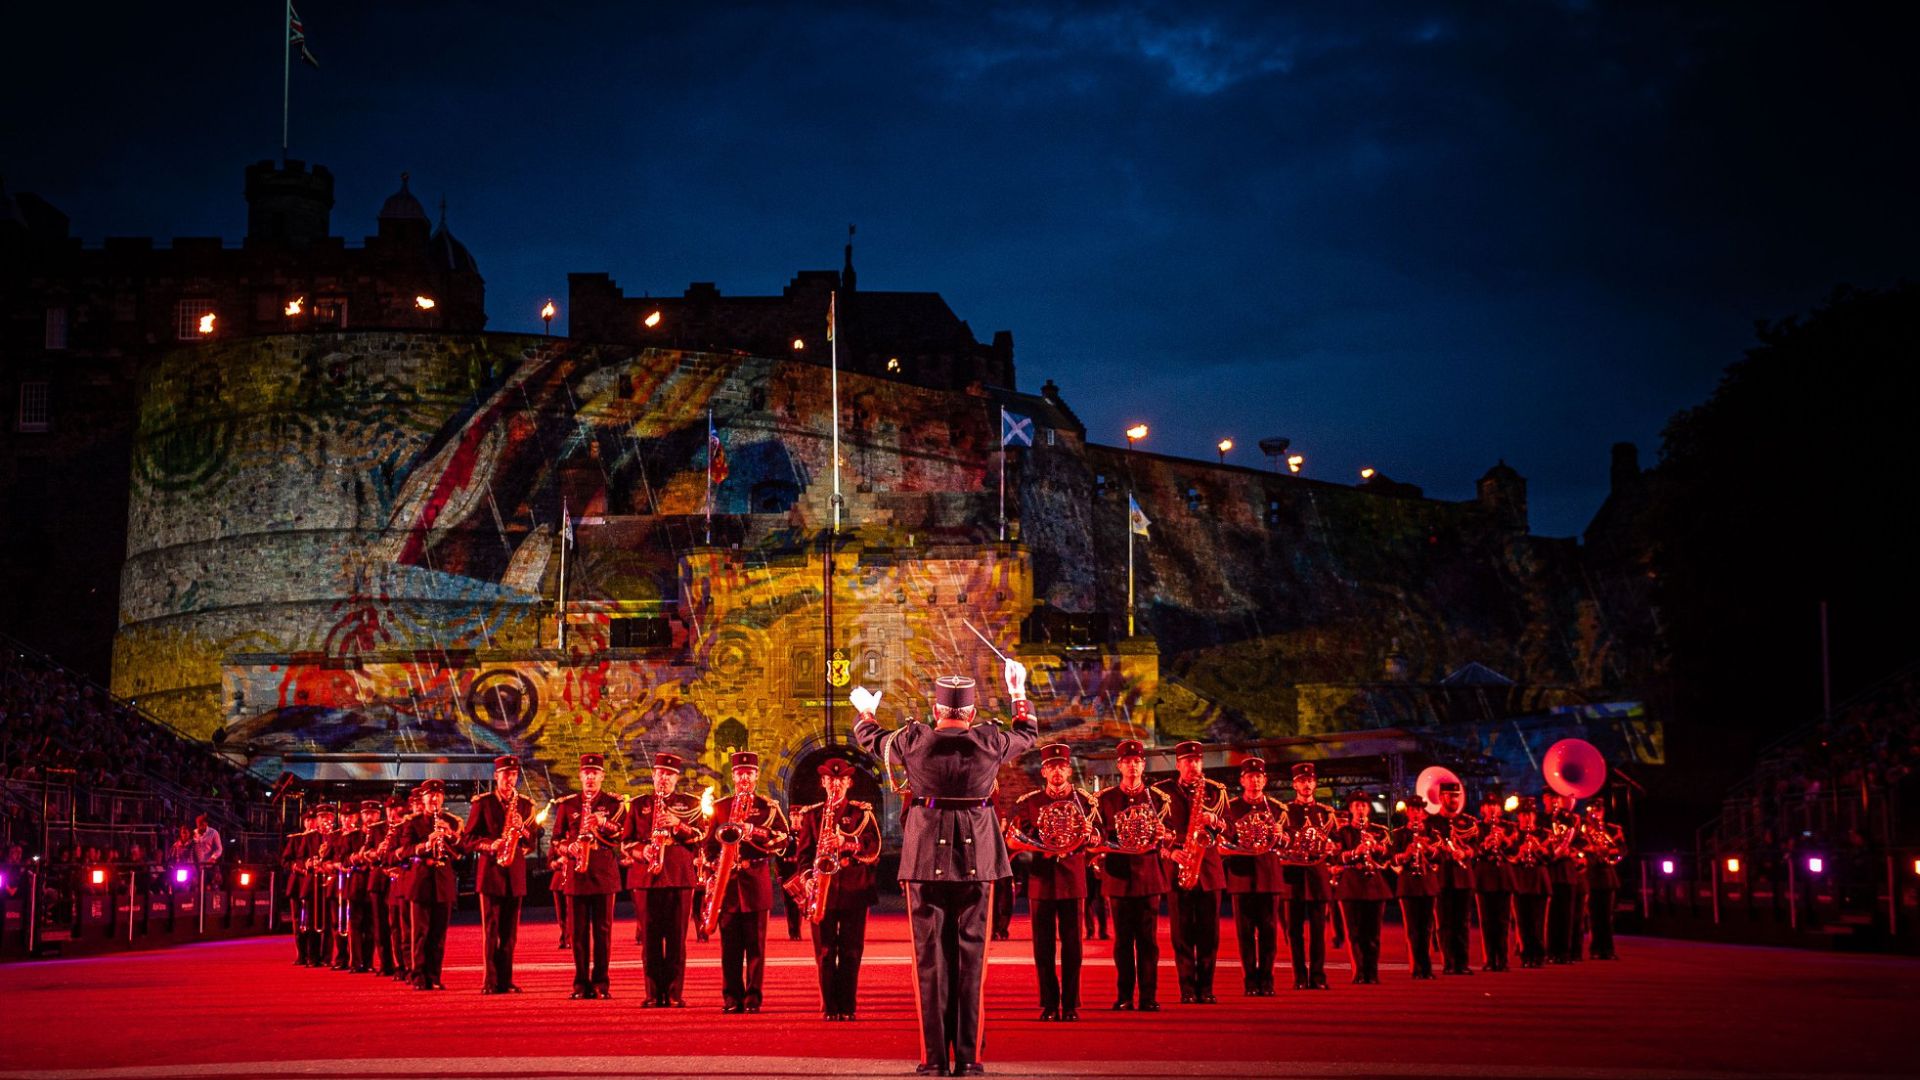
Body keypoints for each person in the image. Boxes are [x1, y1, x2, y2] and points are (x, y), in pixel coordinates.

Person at [853, 661, 1037, 1078]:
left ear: (937, 710)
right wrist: (1018, 691)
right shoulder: (989, 740)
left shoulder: (915, 739)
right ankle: (969, 1058)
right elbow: (1027, 733)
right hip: (980, 860)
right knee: (972, 962)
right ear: (970, 714)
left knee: (930, 962)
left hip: (924, 860)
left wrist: (865, 712)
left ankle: (934, 1058)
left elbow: (871, 739)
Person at [1004, 742, 1098, 1021]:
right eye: (1051, 767)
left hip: (1073, 880)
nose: (1057, 772)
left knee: (1073, 947)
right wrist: (1041, 847)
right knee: (1042, 948)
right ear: (1044, 772)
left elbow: (1098, 840)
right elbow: (1013, 839)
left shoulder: (1085, 801)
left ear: (1069, 770)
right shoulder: (1029, 803)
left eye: (1062, 767)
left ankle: (1070, 1004)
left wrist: (1092, 838)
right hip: (1041, 881)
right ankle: (1048, 1002)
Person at [788, 756, 882, 1021]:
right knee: (826, 951)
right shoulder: (812, 815)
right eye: (830, 780)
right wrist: (807, 878)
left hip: (854, 888)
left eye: (840, 780)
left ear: (849, 783)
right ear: (823, 782)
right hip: (822, 890)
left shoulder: (861, 813)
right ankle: (830, 1007)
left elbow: (873, 847)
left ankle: (848, 1006)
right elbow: (804, 855)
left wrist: (846, 841)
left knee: (852, 951)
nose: (835, 785)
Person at [705, 750, 790, 1013]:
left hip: (755, 880)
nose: (744, 778)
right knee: (729, 948)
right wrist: (711, 869)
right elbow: (708, 846)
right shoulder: (720, 807)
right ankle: (731, 997)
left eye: (749, 773)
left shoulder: (768, 807)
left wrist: (756, 832)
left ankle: (753, 997)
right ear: (733, 776)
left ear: (756, 776)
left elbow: (784, 841)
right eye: (740, 773)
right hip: (727, 885)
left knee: (756, 947)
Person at [620, 751, 706, 1008]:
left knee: (677, 939)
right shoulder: (638, 804)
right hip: (646, 879)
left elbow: (701, 835)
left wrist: (678, 824)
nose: (664, 779)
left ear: (676, 778)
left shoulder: (690, 804)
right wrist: (641, 851)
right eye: (660, 774)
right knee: (650, 939)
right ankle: (652, 993)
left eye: (669, 775)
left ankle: (674, 992)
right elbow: (625, 842)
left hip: (679, 877)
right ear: (653, 776)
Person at [1096, 738, 1170, 1013]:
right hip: (1118, 877)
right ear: (1119, 766)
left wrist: (1165, 835)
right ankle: (1124, 995)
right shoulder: (1106, 799)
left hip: (1149, 877)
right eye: (1127, 762)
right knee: (1123, 942)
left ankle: (1149, 996)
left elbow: (1171, 836)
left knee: (1149, 942)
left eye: (1137, 762)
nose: (1133, 767)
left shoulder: (1159, 799)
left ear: (1143, 765)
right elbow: (1097, 838)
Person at [1156, 740, 1228, 1004]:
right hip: (1177, 867)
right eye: (1188, 761)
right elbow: (1156, 831)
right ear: (1178, 765)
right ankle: (1187, 989)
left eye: (1197, 761)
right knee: (1181, 934)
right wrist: (1170, 852)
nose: (1193, 766)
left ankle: (1206, 988)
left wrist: (1216, 821)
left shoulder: (1216, 791)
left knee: (1210, 935)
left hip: (1208, 871)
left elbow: (1231, 829)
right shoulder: (1161, 792)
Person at [462, 755, 540, 994]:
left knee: (510, 933)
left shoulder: (525, 804)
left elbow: (534, 841)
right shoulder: (483, 803)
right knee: (491, 930)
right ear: (496, 776)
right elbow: (468, 840)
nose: (510, 780)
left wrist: (523, 828)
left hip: (514, 874)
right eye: (506, 775)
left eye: (514, 775)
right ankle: (490, 980)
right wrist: (490, 845)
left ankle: (506, 980)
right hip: (491, 873)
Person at [552, 753, 624, 999]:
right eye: (586, 773)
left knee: (603, 933)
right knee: (578, 932)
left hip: (603, 871)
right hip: (576, 873)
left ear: (602, 776)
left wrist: (603, 822)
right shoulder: (568, 804)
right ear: (580, 776)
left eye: (595, 773)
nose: (590, 777)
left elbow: (623, 835)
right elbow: (555, 840)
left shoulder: (615, 804)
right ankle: (581, 984)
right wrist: (567, 847)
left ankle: (602, 983)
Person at [1220, 757, 1284, 996]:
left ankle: (1267, 980)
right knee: (1244, 933)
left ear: (1265, 780)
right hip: (1241, 877)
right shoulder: (1232, 808)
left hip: (1269, 877)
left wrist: (1281, 834)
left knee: (1269, 932)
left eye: (1259, 777)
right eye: (1250, 777)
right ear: (1242, 780)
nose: (1255, 781)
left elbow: (1286, 843)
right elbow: (1222, 842)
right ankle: (1250, 980)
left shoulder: (1276, 808)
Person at [1279, 762, 1338, 990]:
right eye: (1302, 781)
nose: (1307, 785)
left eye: (1310, 781)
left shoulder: (1326, 813)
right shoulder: (1285, 811)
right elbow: (1279, 841)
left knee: (1317, 931)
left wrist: (1333, 846)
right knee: (1294, 932)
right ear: (1295, 784)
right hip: (1292, 875)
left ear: (1315, 783)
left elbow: (1337, 842)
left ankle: (1318, 976)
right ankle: (1299, 977)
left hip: (1317, 876)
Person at [398, 779, 461, 990]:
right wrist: (427, 844)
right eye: (430, 796)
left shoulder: (451, 821)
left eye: (438, 795)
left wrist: (450, 835)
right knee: (419, 934)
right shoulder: (413, 822)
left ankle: (434, 976)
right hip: (421, 882)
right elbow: (405, 851)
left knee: (438, 934)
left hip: (443, 882)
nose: (434, 799)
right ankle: (418, 977)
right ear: (423, 799)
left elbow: (463, 852)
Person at [1333, 790, 1393, 985]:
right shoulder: (1342, 832)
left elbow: (1389, 856)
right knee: (1354, 933)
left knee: (1373, 933)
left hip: (1375, 885)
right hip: (1351, 885)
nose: (1360, 809)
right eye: (1356, 806)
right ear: (1350, 809)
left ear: (1368, 808)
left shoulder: (1379, 830)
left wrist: (1377, 848)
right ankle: (1358, 972)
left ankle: (1372, 972)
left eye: (1364, 805)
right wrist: (1354, 852)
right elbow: (1336, 856)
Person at [1427, 779, 1477, 976]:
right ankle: (1449, 962)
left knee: (1463, 923)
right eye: (1450, 795)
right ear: (1441, 797)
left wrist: (1466, 853)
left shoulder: (1468, 822)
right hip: (1443, 878)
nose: (1454, 799)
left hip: (1464, 879)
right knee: (1445, 923)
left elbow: (1477, 846)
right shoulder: (1431, 823)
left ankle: (1462, 963)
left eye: (1456, 796)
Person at [1392, 796, 1439, 980]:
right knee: (1412, 929)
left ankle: (1426, 967)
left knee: (1427, 928)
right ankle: (1416, 966)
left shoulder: (1432, 833)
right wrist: (1406, 854)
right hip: (1409, 884)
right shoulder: (1400, 833)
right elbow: (1392, 858)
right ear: (1408, 812)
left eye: (1419, 810)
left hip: (1427, 884)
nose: (1417, 813)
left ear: (1423, 812)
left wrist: (1427, 849)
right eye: (1413, 810)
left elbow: (1439, 856)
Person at [1507, 796, 1553, 968]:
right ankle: (1526, 956)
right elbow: (1508, 857)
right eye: (1524, 814)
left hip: (1539, 882)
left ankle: (1539, 955)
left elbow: (1550, 857)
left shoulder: (1544, 834)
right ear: (1518, 816)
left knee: (1539, 921)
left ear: (1535, 815)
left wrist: (1538, 847)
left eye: (1530, 814)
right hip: (1520, 881)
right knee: (1523, 922)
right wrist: (1519, 852)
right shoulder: (1513, 834)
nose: (1527, 817)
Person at [1472, 791, 1514, 972]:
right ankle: (1489, 958)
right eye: (1488, 806)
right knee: (1487, 921)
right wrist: (1485, 843)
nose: (1492, 809)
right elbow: (1473, 849)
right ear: (1482, 809)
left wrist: (1504, 839)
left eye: (1495, 805)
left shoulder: (1509, 827)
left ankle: (1503, 959)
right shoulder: (1476, 827)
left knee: (1503, 921)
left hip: (1503, 877)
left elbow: (1515, 850)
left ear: (1500, 809)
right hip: (1484, 876)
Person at [1583, 802, 1626, 960]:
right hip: (1592, 875)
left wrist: (1607, 850)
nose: (1597, 814)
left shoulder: (1612, 829)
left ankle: (1608, 949)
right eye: (1594, 811)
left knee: (1607, 916)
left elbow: (1622, 849)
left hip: (1608, 876)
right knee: (1594, 916)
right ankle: (1595, 949)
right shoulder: (1585, 828)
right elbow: (1582, 848)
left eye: (1599, 810)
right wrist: (1594, 850)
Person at [283, 808, 315, 966]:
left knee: (312, 920)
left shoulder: (321, 838)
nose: (310, 823)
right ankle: (301, 954)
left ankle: (312, 954)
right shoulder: (296, 839)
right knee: (297, 921)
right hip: (297, 883)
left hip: (312, 883)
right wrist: (297, 866)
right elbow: (285, 860)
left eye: (312, 820)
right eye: (307, 820)